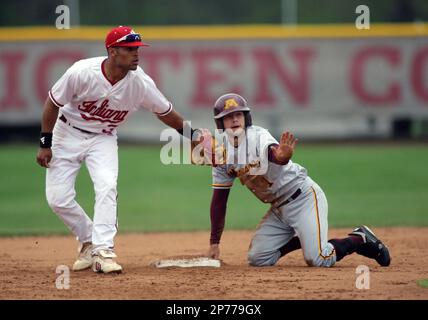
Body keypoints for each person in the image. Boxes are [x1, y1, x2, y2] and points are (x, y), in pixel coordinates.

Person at [36, 26, 197, 273]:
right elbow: (52, 103)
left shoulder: (140, 83)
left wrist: (193, 135)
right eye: (129, 49)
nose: (136, 54)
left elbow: (165, 112)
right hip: (65, 134)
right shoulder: (82, 72)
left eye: (137, 49)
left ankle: (103, 251)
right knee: (58, 200)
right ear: (112, 51)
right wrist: (45, 143)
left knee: (107, 185)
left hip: (103, 138)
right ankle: (88, 239)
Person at [205, 93, 391, 268]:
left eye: (239, 114)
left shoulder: (258, 136)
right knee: (258, 258)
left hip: (303, 198)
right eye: (229, 116)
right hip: (279, 210)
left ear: (247, 118)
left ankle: (359, 239)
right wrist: (214, 242)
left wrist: (281, 156)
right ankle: (305, 237)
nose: (235, 119)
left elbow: (275, 154)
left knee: (318, 258)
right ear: (220, 123)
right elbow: (219, 201)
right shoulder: (222, 155)